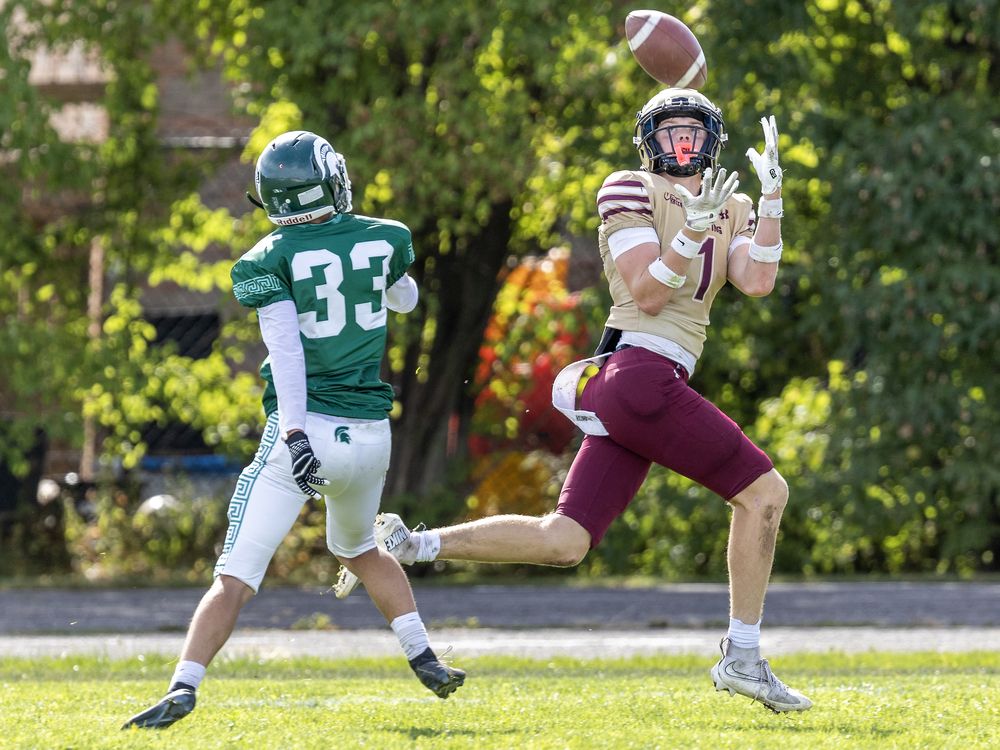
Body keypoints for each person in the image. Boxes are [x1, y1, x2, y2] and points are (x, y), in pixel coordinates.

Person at [335, 89, 811, 714]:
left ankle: (411, 544)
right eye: (670, 132)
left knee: (565, 540)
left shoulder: (732, 200)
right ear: (649, 141)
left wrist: (771, 198)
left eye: (693, 131)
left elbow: (757, 278)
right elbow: (644, 293)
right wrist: (691, 228)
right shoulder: (629, 187)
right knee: (765, 493)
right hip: (640, 371)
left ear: (714, 139)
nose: (683, 143)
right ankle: (742, 657)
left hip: (643, 384)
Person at [122, 130, 464, 730]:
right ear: (332, 179)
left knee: (235, 576)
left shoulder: (267, 258)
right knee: (359, 549)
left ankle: (183, 685)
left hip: (307, 432)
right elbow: (406, 299)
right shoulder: (385, 238)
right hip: (370, 438)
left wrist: (296, 434)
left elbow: (287, 354)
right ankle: (425, 656)